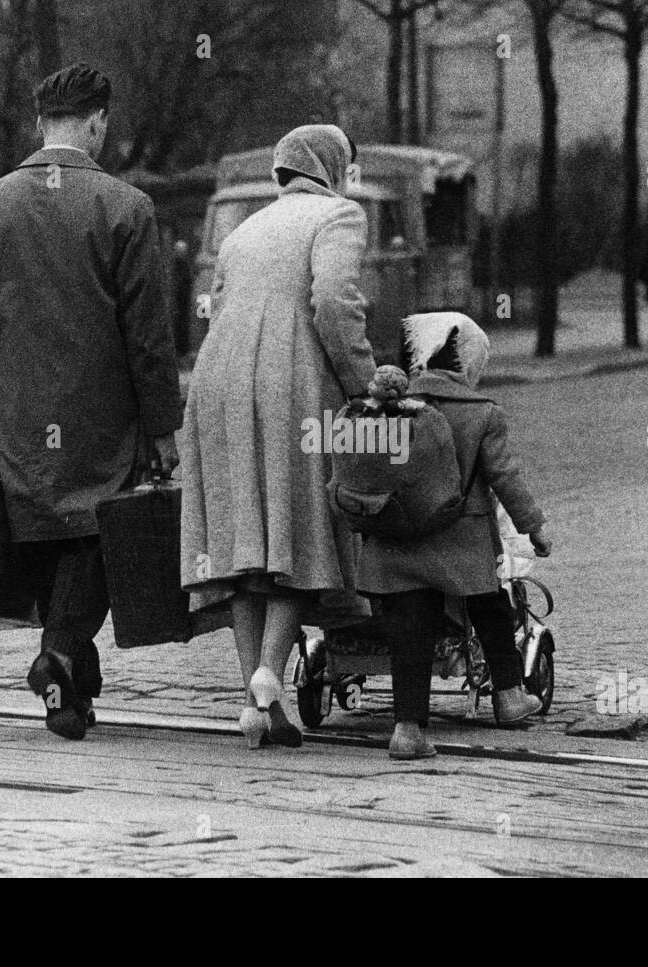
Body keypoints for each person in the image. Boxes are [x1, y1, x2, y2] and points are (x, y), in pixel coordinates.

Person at [0, 63, 183, 741]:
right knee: (99, 535)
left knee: (50, 527)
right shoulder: (126, 208)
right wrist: (163, 426)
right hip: (101, 410)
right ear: (96, 122)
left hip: (23, 413)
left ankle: (73, 692)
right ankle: (57, 658)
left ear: (37, 125)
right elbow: (148, 335)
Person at [180, 124, 376, 750]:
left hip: (217, 382)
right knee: (300, 524)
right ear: (334, 167)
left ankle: (260, 704)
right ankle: (270, 671)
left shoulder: (241, 231)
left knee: (245, 539)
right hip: (291, 380)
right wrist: (364, 386)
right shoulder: (339, 215)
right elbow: (334, 303)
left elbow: (216, 304)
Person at [358, 313, 552, 761]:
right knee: (492, 605)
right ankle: (507, 696)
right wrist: (534, 528)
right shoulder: (482, 412)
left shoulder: (390, 405)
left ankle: (407, 729)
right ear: (468, 362)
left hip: (396, 544)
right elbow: (505, 478)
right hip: (461, 545)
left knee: (410, 629)